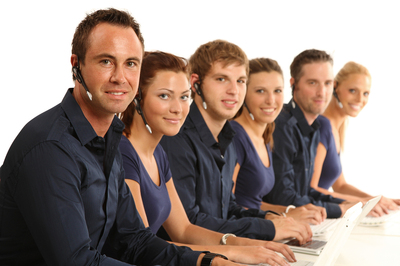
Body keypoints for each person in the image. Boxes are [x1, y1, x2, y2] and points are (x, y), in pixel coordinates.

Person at [0, 9, 232, 266]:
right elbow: (78, 263)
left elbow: (134, 240)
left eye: (131, 63)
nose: (120, 77)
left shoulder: (110, 139)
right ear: (76, 65)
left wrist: (206, 262)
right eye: (106, 62)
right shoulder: (51, 148)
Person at [119, 50, 296, 266]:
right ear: (137, 96)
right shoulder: (124, 152)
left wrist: (244, 247)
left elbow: (184, 230)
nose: (177, 108)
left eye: (184, 97)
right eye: (164, 95)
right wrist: (219, 259)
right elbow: (145, 247)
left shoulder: (158, 153)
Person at [160, 40, 312, 245]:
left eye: (240, 81)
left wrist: (268, 218)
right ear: (196, 83)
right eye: (222, 79)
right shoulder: (176, 138)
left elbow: (227, 208)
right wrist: (266, 229)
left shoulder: (227, 138)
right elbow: (190, 223)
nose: (234, 90)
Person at [231, 57, 327, 225]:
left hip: (255, 227)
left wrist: (290, 211)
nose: (271, 100)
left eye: (277, 91)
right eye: (260, 91)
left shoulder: (266, 134)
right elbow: (228, 208)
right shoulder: (235, 136)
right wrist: (282, 219)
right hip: (243, 233)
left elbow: (252, 203)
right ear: (243, 93)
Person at [264, 49, 355, 219]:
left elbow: (305, 191)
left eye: (327, 83)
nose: (322, 92)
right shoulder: (281, 125)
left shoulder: (315, 125)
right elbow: (283, 197)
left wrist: (346, 205)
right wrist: (339, 210)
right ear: (293, 84)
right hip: (277, 224)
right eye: (312, 83)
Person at [310, 61, 400, 216]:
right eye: (353, 90)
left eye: (365, 93)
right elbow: (312, 189)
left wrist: (376, 199)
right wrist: (362, 204)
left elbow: (340, 185)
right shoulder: (323, 127)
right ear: (335, 86)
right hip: (314, 213)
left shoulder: (336, 128)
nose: (360, 99)